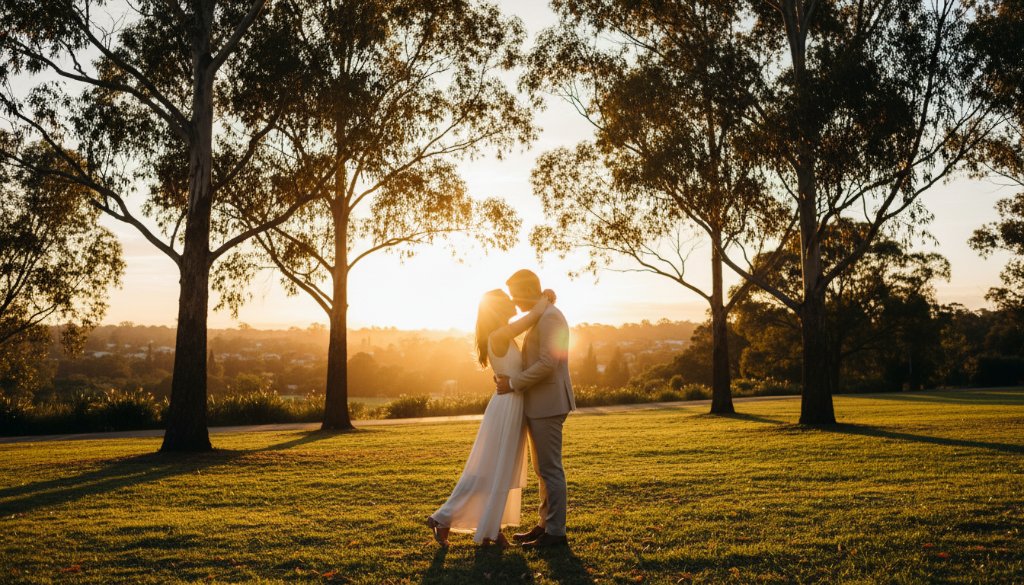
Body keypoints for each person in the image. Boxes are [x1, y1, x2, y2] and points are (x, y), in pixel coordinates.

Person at [426, 286, 556, 547]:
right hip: (506, 407)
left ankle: (490, 528)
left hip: (511, 404)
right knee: (492, 469)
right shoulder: (499, 334)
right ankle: (448, 519)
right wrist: (546, 298)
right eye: (506, 300)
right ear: (496, 308)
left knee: (500, 470)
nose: (512, 302)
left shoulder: (499, 335)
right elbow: (531, 318)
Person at [495, 269, 576, 549]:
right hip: (539, 403)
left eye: (516, 297)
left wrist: (513, 383)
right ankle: (545, 525)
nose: (515, 305)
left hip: (549, 403)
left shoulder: (551, 318)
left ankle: (556, 533)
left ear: (527, 291)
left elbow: (547, 364)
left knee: (551, 469)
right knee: (543, 469)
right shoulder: (542, 315)